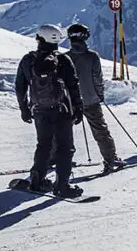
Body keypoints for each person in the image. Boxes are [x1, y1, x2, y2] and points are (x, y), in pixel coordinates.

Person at [14, 24, 85, 198]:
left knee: (43, 145)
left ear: (39, 38)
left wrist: (24, 109)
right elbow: (73, 86)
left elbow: (20, 86)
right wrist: (78, 108)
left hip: (39, 110)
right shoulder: (63, 60)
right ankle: (62, 185)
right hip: (62, 110)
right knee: (65, 147)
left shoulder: (27, 60)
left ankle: (37, 180)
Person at [66, 23, 124, 174]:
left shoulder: (65, 57)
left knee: (63, 130)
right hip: (90, 99)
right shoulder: (92, 56)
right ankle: (111, 159)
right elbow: (97, 78)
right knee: (100, 130)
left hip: (69, 101)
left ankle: (57, 159)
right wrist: (100, 94)